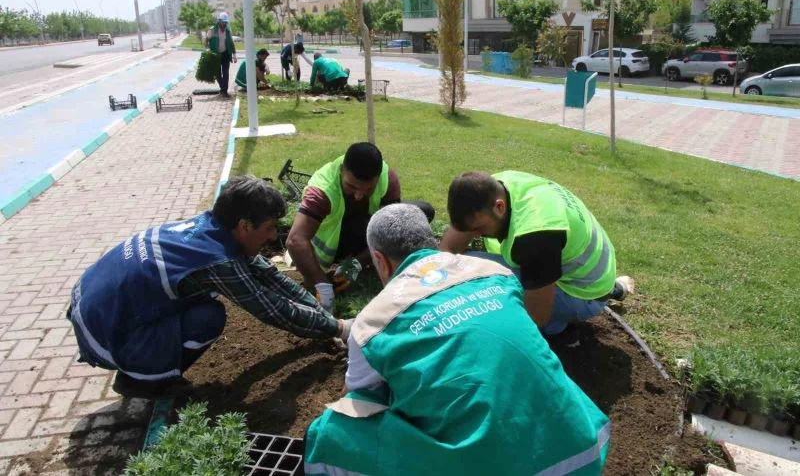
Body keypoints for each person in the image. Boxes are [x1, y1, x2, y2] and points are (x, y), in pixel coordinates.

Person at [304, 204, 610, 476]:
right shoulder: (495, 273)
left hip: (495, 466)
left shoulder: (374, 323)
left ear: (380, 261)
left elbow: (356, 401)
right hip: (581, 447)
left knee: (332, 430)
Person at [66, 176, 353, 400]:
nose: (272, 236)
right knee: (209, 317)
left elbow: (270, 276)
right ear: (244, 225)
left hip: (89, 304)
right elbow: (272, 309)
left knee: (200, 297)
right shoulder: (217, 261)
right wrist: (338, 327)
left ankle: (144, 365)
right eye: (268, 228)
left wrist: (317, 309)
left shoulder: (212, 227)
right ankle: (144, 380)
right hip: (101, 334)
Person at [440, 171, 634, 346]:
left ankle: (559, 329)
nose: (474, 236)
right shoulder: (496, 188)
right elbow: (445, 252)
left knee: (475, 275)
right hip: (590, 275)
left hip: (582, 295)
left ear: (499, 207)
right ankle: (613, 291)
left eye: (478, 229)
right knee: (462, 266)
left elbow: (536, 316)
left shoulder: (536, 235)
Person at [287, 143, 434, 313]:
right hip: (336, 245)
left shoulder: (387, 179)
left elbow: (391, 229)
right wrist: (321, 283)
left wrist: (357, 263)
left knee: (421, 212)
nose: (358, 195)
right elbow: (295, 240)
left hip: (363, 231)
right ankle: (355, 259)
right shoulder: (321, 191)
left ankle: (364, 259)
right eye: (352, 186)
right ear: (342, 170)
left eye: (369, 189)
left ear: (377, 178)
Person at [205, 12, 237, 97]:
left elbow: (231, 43)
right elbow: (206, 40)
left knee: (226, 73)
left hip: (226, 54)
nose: (224, 24)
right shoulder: (213, 30)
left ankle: (224, 91)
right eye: (223, 22)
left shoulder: (228, 30)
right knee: (217, 73)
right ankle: (223, 88)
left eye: (226, 22)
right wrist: (207, 49)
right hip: (216, 55)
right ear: (219, 21)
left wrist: (234, 55)